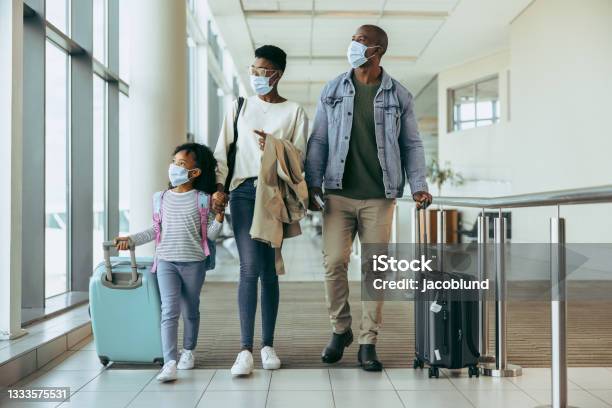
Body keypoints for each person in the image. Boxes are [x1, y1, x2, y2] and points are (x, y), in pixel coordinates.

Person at [305, 25, 432, 372]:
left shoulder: (398, 95)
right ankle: (340, 329)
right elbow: (318, 140)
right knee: (333, 264)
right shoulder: (333, 89)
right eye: (353, 39)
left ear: (378, 50)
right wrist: (312, 183)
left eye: (360, 40)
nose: (353, 44)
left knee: (374, 270)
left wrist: (418, 183)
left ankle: (367, 340)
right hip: (338, 194)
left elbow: (411, 144)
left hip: (380, 196)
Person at [212, 45, 309, 376]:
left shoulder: (295, 111)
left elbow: (300, 161)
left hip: (274, 195)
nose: (254, 76)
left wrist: (276, 149)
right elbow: (222, 152)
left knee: (269, 270)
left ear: (277, 74)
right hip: (242, 193)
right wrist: (218, 190)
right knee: (249, 267)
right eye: (252, 70)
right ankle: (244, 350)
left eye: (261, 71)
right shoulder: (239, 106)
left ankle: (268, 345)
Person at [114, 143, 224, 382]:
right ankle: (170, 361)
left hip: (194, 263)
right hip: (165, 262)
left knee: (190, 308)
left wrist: (219, 216)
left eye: (181, 164)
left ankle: (189, 351)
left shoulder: (203, 200)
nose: (174, 168)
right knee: (169, 310)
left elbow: (211, 235)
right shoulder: (160, 198)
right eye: (174, 162)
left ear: (195, 172)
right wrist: (131, 239)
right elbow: (155, 231)